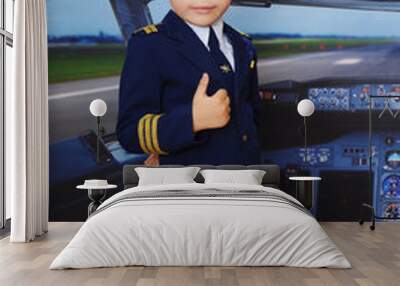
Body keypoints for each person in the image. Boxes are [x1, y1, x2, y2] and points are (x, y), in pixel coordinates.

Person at [117, 0, 261, 166]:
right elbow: (129, 133)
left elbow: (252, 114)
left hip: (247, 174)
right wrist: (192, 121)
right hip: (193, 182)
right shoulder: (149, 45)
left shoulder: (243, 44)